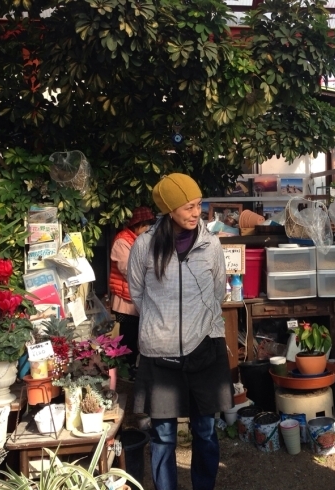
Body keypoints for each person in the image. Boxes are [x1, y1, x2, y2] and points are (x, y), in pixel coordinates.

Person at [128, 173, 233, 490]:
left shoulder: (211, 245)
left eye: (198, 204)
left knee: (204, 429)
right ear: (169, 209)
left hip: (204, 348)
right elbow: (138, 294)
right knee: (162, 435)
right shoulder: (144, 245)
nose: (195, 213)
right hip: (159, 354)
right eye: (187, 206)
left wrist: (195, 323)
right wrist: (163, 324)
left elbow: (217, 292)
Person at [109, 206, 156, 375]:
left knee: (136, 336)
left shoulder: (138, 240)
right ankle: (126, 373)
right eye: (146, 226)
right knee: (128, 339)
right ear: (138, 225)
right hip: (125, 301)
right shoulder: (122, 241)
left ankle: (132, 370)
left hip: (135, 298)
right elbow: (130, 270)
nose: (148, 230)